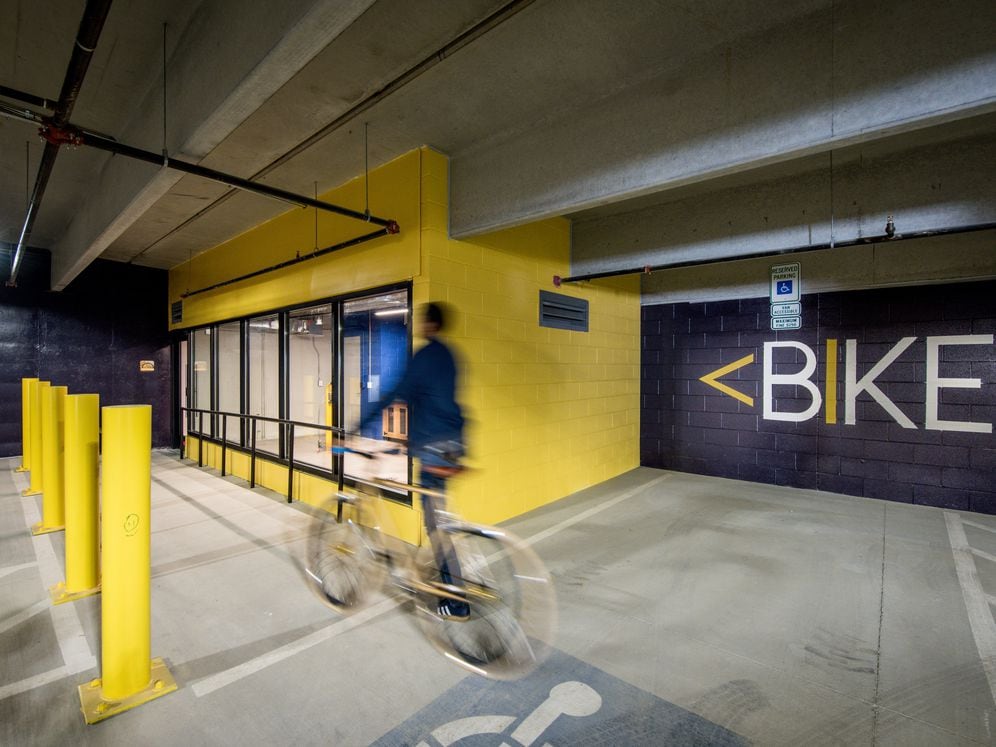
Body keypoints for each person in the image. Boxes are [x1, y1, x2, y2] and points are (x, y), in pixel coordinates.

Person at [356, 302, 470, 620]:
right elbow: (437, 399)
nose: (420, 325)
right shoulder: (450, 355)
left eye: (422, 320)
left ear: (430, 324)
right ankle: (446, 576)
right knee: (438, 514)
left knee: (436, 526)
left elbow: (396, 391)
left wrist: (358, 427)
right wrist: (406, 441)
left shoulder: (424, 356)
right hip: (452, 442)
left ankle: (456, 599)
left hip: (432, 445)